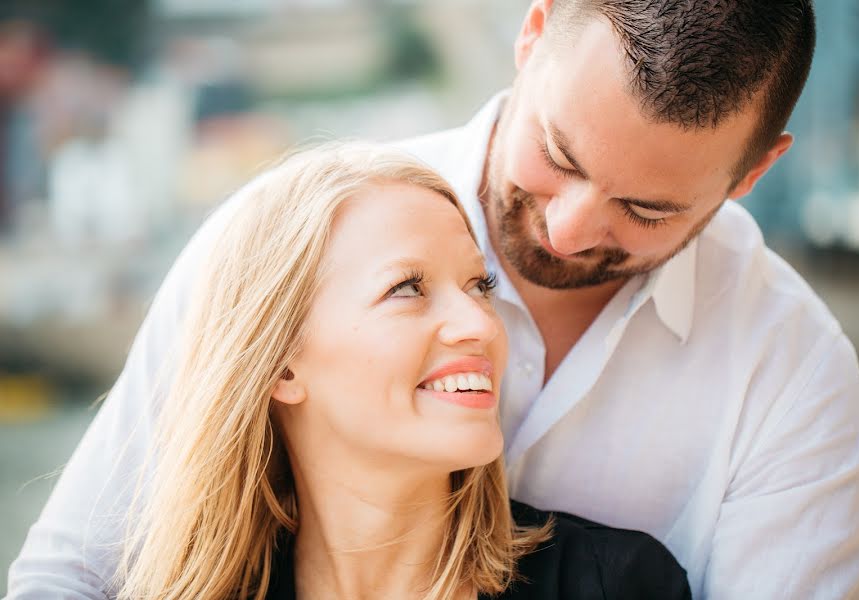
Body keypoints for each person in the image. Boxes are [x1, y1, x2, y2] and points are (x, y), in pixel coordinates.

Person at [8, 1, 859, 598]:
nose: (571, 230)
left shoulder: (792, 375)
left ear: (754, 174)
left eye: (646, 209)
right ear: (533, 33)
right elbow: (74, 572)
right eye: (560, 156)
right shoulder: (283, 236)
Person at [110, 142, 690, 599]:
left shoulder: (618, 585)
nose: (483, 325)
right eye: (407, 288)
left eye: (479, 286)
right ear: (282, 367)